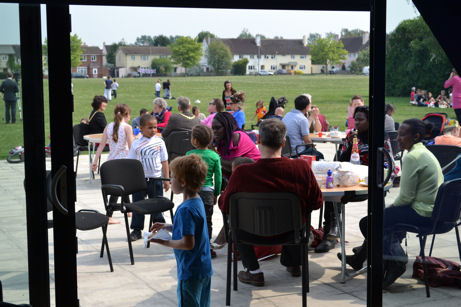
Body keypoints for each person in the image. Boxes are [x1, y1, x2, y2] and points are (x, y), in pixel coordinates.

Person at [339, 119, 443, 289]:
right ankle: (363, 258)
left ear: (416, 136)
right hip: (433, 211)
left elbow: (405, 198)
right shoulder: (423, 151)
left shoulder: (412, 157)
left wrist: (390, 208)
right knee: (381, 221)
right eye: (398, 134)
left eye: (403, 135)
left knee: (369, 222)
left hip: (423, 213)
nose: (398, 138)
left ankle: (396, 260)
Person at [218, 119, 323, 286]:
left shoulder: (242, 173)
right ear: (284, 142)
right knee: (300, 216)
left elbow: (224, 205)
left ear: (258, 141)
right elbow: (316, 202)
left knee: (234, 221)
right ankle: (294, 262)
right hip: (291, 233)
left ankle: (254, 270)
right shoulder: (301, 168)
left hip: (249, 233)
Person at [150, 154, 212, 307]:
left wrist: (162, 241)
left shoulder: (185, 210)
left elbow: (187, 243)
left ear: (183, 182)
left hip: (190, 270)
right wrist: (167, 227)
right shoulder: (197, 201)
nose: (170, 180)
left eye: (172, 177)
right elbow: (192, 231)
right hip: (203, 268)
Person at [315, 106, 372, 253]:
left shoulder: (378, 138)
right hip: (347, 179)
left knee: (338, 193)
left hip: (367, 184)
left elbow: (387, 163)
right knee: (331, 190)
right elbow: (340, 160)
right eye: (356, 120)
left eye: (361, 120)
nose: (357, 123)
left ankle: (368, 242)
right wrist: (348, 149)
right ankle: (330, 234)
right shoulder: (351, 136)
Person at [128, 114, 170, 241]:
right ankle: (136, 230)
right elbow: (132, 164)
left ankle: (159, 228)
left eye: (155, 127)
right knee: (138, 205)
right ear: (141, 128)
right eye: (150, 128)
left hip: (156, 179)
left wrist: (166, 179)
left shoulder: (159, 142)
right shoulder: (136, 144)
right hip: (140, 181)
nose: (153, 130)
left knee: (157, 205)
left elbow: (164, 161)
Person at [92, 104, 134, 224]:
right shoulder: (127, 127)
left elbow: (101, 145)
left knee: (122, 186)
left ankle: (129, 208)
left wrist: (95, 161)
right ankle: (109, 215)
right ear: (126, 115)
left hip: (111, 161)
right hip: (124, 162)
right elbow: (132, 147)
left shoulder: (108, 126)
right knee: (118, 189)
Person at [186, 124, 222, 258]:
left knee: (192, 220)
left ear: (195, 140)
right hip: (207, 192)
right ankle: (207, 247)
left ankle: (192, 244)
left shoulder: (189, 155)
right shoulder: (214, 156)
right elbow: (218, 178)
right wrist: (216, 194)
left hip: (191, 192)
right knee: (207, 220)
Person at [282, 94, 324, 159]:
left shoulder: (287, 114)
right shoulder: (302, 119)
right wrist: (313, 146)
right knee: (320, 155)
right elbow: (307, 141)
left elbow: (318, 129)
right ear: (307, 107)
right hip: (297, 151)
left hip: (286, 151)